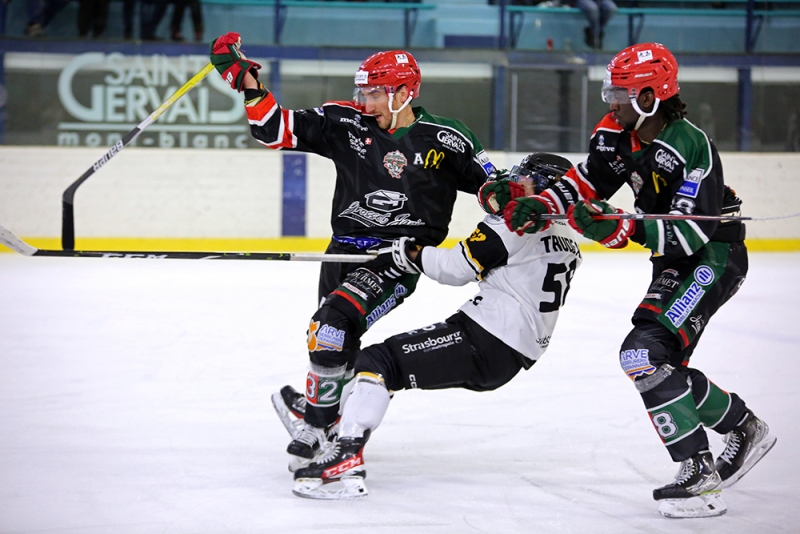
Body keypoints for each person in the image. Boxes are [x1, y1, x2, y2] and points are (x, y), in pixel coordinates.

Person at [499, 43, 776, 518]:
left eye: (621, 92)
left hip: (713, 256)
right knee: (658, 364)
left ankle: (700, 476)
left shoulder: (691, 146)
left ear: (651, 94)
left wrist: (624, 226)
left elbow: (692, 232)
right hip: (674, 260)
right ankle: (744, 427)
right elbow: (586, 184)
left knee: (642, 355)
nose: (611, 101)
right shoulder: (613, 132)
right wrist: (543, 203)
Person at [208, 34, 497, 469]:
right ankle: (328, 417)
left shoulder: (447, 139)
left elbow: (495, 188)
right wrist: (247, 81)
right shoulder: (345, 122)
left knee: (330, 325)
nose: (364, 101)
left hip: (396, 259)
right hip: (340, 252)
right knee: (331, 338)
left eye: (375, 93)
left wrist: (517, 200)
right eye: (362, 91)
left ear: (406, 92)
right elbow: (273, 129)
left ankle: (318, 424)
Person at [282, 153, 582, 499]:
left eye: (524, 177)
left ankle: (346, 455)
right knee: (386, 366)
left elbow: (457, 268)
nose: (515, 182)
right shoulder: (566, 235)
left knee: (378, 363)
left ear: (545, 185)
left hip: (486, 340)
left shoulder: (517, 223)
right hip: (509, 349)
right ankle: (331, 414)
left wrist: (409, 252)